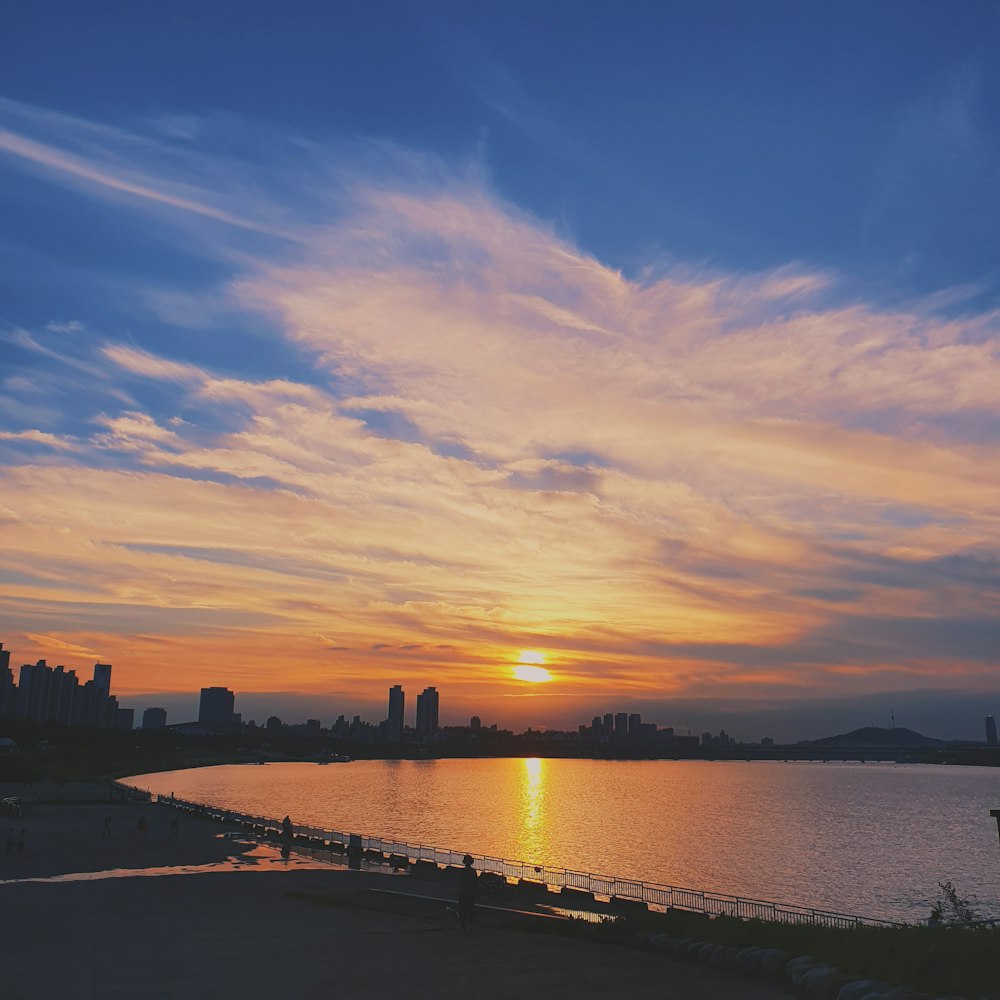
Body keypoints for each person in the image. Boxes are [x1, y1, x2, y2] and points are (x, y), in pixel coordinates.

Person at [458, 854, 477, 931]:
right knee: (470, 908)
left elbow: (460, 881)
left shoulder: (462, 871)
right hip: (470, 892)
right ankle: (470, 923)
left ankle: (463, 924)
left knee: (462, 908)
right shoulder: (473, 871)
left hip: (464, 892)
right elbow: (475, 882)